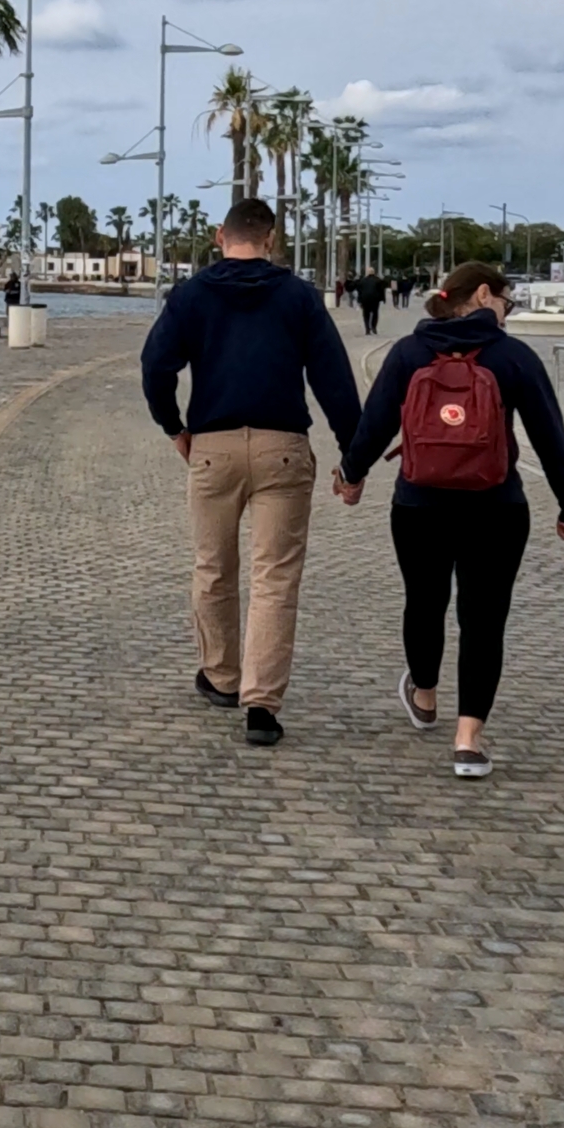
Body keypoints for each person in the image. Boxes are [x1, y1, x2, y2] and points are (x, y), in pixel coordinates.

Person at [336, 261, 564, 780]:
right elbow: (549, 436)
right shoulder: (512, 356)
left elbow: (376, 420)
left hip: (418, 505)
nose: (507, 311)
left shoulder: (408, 352)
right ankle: (468, 740)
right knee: (483, 619)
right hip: (496, 507)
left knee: (424, 602)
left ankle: (425, 697)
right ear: (481, 295)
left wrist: (352, 474)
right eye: (506, 301)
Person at [140, 196, 363, 747]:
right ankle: (261, 706)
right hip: (282, 447)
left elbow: (154, 365)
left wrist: (174, 427)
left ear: (221, 236)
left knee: (213, 566)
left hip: (211, 447)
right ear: (271, 240)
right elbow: (333, 378)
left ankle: (220, 677)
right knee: (275, 577)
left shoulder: (190, 295)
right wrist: (352, 458)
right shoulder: (298, 297)